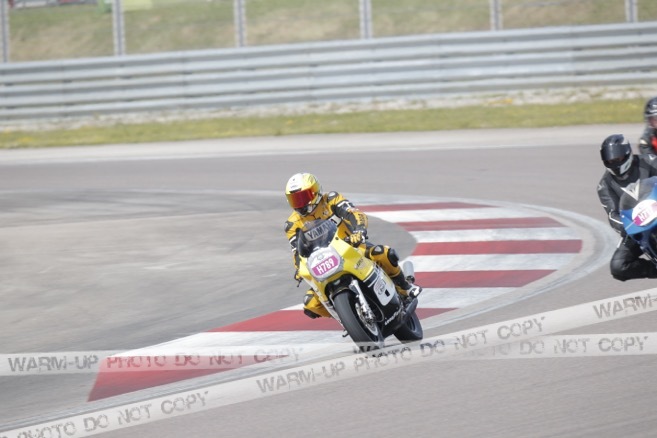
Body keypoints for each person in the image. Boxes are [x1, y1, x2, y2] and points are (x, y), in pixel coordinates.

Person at [284, 172, 422, 319]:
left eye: (303, 197)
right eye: (295, 200)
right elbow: (296, 251)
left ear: (315, 191)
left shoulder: (331, 199)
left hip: (351, 247)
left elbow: (355, 213)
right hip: (322, 261)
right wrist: (299, 268)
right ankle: (348, 318)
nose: (300, 204)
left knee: (383, 253)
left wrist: (359, 230)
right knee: (310, 304)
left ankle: (405, 288)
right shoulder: (292, 224)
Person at [597, 134, 657, 281]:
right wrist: (628, 227)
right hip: (636, 228)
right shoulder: (604, 185)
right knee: (619, 266)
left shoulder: (650, 161)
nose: (614, 163)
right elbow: (613, 215)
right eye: (609, 160)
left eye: (617, 158)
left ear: (627, 153)